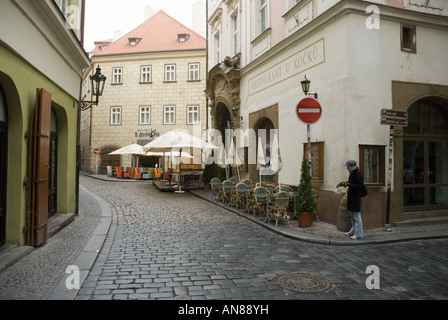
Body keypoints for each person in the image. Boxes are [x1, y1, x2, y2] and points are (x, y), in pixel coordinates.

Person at [337, 160, 364, 240]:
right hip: (351, 196)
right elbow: (352, 183)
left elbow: (359, 186)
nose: (347, 168)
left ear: (352, 166)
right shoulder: (352, 173)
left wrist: (349, 184)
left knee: (356, 216)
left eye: (348, 167)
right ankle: (352, 231)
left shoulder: (358, 174)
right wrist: (345, 183)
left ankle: (358, 234)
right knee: (352, 215)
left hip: (356, 197)